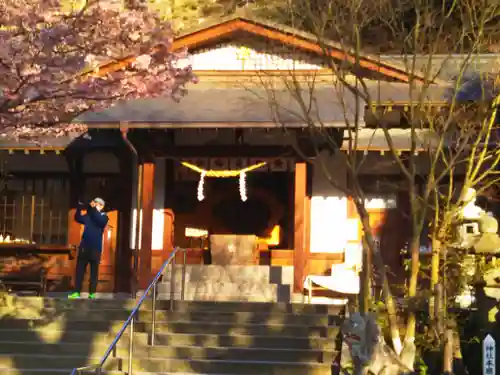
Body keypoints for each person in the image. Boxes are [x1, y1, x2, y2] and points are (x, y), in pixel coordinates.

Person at [68, 197, 109, 299]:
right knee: (80, 271)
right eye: (94, 203)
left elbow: (99, 220)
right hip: (84, 247)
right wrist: (79, 207)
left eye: (97, 203)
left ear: (102, 206)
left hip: (95, 249)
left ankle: (92, 293)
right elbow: (78, 218)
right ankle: (76, 292)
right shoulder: (89, 216)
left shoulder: (104, 216)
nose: (94, 205)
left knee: (94, 272)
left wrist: (93, 208)